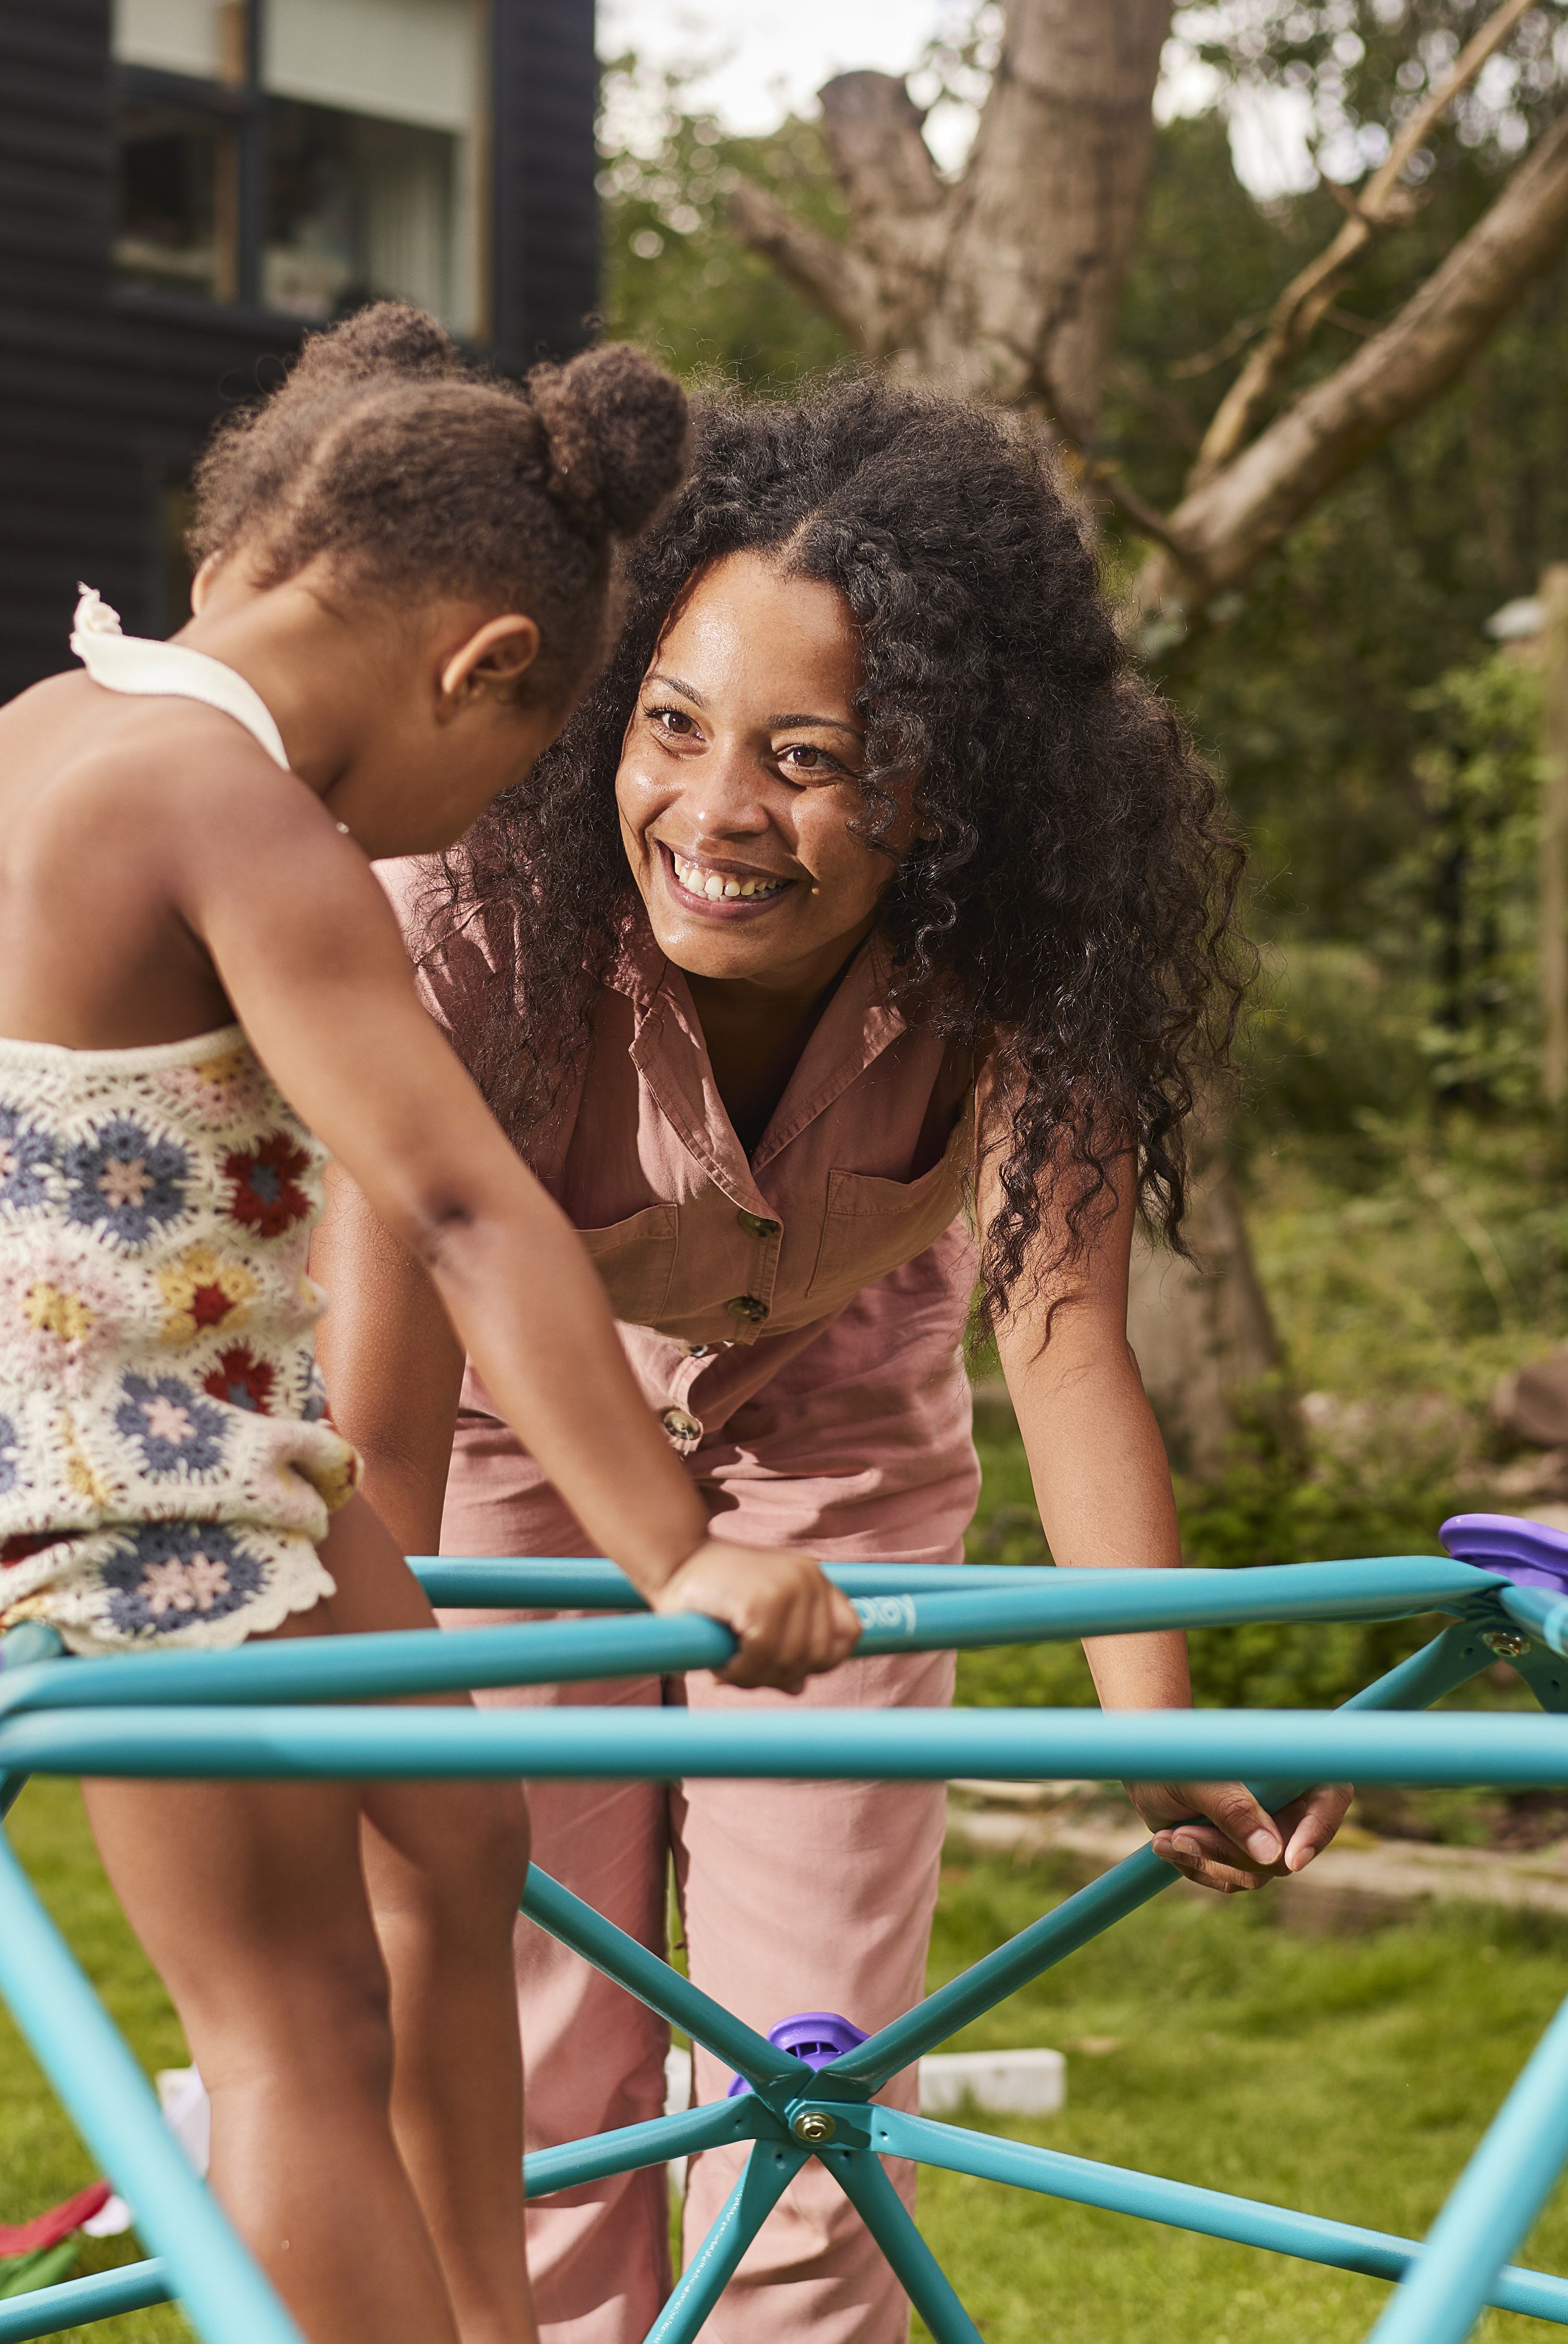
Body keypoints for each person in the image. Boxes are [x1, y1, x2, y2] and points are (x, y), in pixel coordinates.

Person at [0, 306, 861, 2344]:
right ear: (483, 670)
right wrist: (682, 1543)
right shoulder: (243, 821)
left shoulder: (21, 738)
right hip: (90, 1480)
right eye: (520, 765)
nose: (477, 819)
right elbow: (458, 1199)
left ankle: (492, 2316)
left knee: (457, 1838)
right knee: (289, 2018)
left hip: (179, 1426)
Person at [312, 380, 1357, 2344]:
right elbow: (380, 1403)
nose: (714, 814)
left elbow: (1057, 1337)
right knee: (541, 2057)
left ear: (953, 788)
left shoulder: (1027, 947)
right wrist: (385, 1710)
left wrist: (1158, 1723)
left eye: (811, 759)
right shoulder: (461, 909)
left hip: (837, 1427)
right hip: (501, 1424)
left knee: (807, 2075)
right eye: (672, 727)